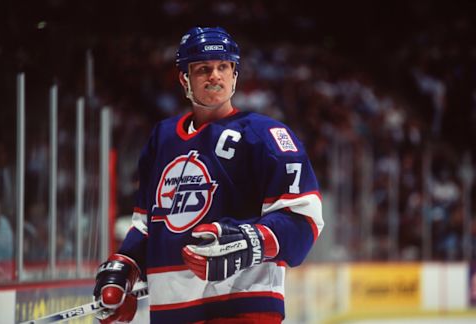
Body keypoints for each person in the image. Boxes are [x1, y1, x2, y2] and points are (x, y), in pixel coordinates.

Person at [93, 26, 324, 324]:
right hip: (171, 314)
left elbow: (304, 221)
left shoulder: (266, 136)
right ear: (184, 79)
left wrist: (250, 241)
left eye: (223, 67)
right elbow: (149, 226)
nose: (215, 76)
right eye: (203, 69)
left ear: (235, 75)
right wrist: (125, 270)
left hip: (241, 309)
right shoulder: (161, 139)